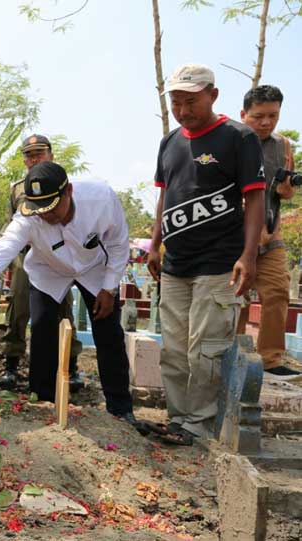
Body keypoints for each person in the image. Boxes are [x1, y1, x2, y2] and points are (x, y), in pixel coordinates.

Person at [0, 162, 134, 419]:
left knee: (108, 333)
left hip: (95, 270)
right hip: (47, 270)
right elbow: (0, 252)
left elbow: (118, 243)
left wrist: (109, 287)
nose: (46, 215)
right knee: (41, 329)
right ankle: (43, 401)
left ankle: (120, 408)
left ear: (68, 191)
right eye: (40, 210)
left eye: (52, 208)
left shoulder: (101, 198)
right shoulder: (28, 217)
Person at [147, 64, 264, 445]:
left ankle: (199, 424)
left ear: (213, 95)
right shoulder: (168, 142)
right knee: (175, 350)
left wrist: (249, 255)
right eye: (176, 102)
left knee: (206, 350)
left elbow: (255, 196)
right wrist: (154, 243)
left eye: (191, 101)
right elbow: (164, 195)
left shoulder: (238, 137)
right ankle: (180, 420)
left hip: (219, 262)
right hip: (177, 262)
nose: (183, 110)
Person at [0, 134, 84, 392]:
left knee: (63, 311)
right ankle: (11, 365)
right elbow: (10, 225)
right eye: (29, 154)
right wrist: (7, 263)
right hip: (25, 257)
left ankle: (71, 365)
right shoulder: (17, 189)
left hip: (57, 257)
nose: (34, 158)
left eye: (39, 152)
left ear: (51, 155)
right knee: (18, 309)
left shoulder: (63, 183)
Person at [238, 85, 300, 378]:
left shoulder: (283, 145)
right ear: (244, 114)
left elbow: (285, 193)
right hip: (234, 236)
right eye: (258, 116)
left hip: (270, 233)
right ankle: (232, 356)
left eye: (272, 116)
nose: (266, 122)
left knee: (277, 292)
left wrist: (286, 190)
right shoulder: (231, 142)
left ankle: (271, 361)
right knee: (235, 297)